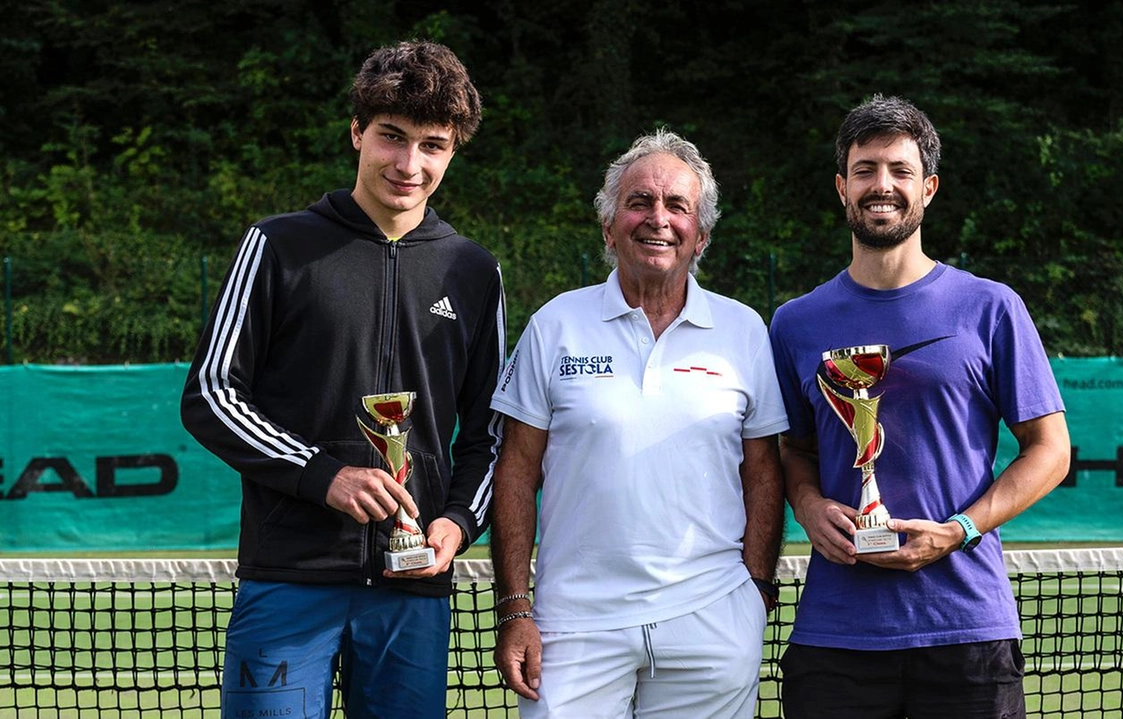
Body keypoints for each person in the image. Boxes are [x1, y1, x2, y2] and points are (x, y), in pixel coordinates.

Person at [180, 40, 504, 719]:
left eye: (432, 145)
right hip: (289, 582)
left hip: (412, 592)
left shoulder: (473, 272)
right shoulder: (277, 246)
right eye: (392, 137)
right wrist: (321, 472)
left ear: (453, 152)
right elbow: (211, 393)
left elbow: (491, 431)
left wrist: (456, 521)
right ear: (357, 131)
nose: (409, 164)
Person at [768, 94, 1071, 718]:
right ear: (841, 187)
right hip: (835, 635)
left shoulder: (990, 308)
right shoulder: (794, 324)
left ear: (928, 188)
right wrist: (809, 504)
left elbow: (1051, 450)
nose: (883, 185)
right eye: (866, 169)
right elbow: (791, 450)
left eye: (900, 171)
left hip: (965, 630)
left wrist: (958, 531)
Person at [489, 129, 788, 718]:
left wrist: (754, 590)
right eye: (639, 202)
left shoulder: (746, 330)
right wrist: (515, 609)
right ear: (608, 226)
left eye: (677, 206)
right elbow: (516, 472)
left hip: (711, 622)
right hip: (572, 629)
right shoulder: (554, 325)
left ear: (700, 235)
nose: (658, 218)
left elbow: (763, 473)